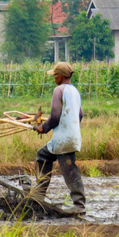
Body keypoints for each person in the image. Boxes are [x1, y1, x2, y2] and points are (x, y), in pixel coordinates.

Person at [32, 61, 85, 215]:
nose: (54, 78)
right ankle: (39, 195)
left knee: (69, 169)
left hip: (63, 138)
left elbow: (55, 116)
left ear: (61, 76)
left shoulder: (58, 90)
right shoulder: (75, 91)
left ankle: (79, 204)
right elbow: (80, 114)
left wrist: (44, 128)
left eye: (55, 75)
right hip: (71, 135)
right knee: (43, 155)